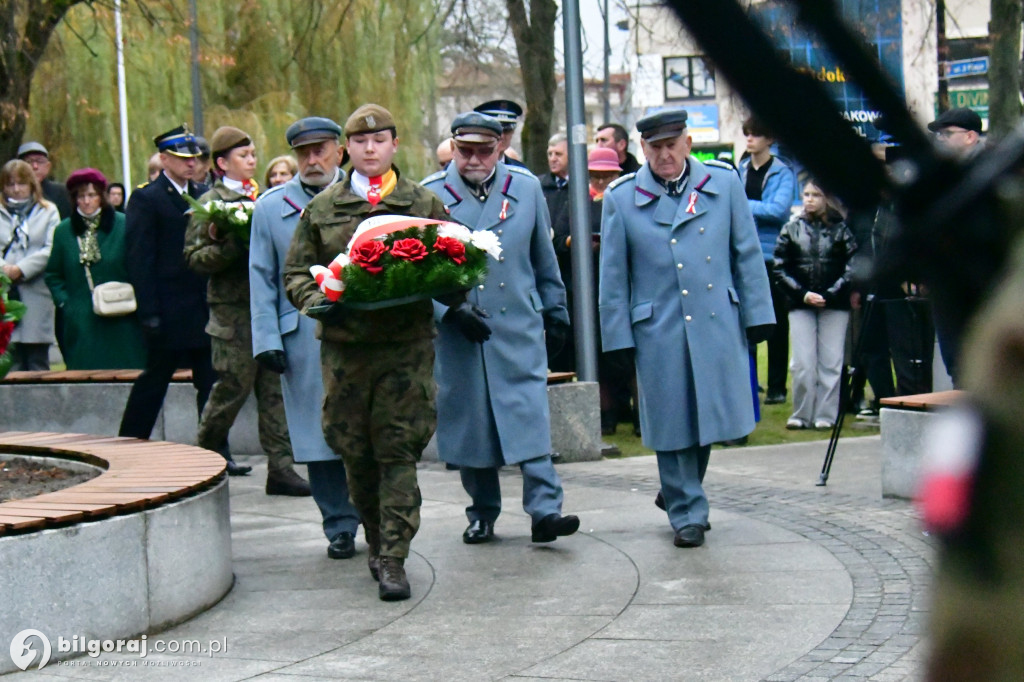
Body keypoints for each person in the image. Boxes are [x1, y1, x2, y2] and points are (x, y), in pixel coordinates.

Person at [284, 103, 451, 601]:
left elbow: (454, 256)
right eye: (360, 142)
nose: (370, 149)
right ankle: (376, 543)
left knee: (398, 451)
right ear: (345, 150)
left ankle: (395, 559)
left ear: (395, 145)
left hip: (405, 350)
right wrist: (318, 302)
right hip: (347, 352)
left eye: (379, 140)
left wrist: (456, 293)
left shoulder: (421, 202)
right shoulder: (322, 209)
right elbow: (296, 272)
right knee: (355, 452)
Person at [599, 108, 774, 548]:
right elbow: (613, 274)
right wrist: (616, 335)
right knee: (671, 417)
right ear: (641, 149)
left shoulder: (724, 183)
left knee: (708, 416)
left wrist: (759, 316)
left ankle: (680, 490)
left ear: (688, 144)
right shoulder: (621, 197)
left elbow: (747, 253)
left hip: (715, 317)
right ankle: (688, 512)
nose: (664, 155)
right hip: (658, 324)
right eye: (654, 147)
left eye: (671, 145)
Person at [423, 111, 577, 547]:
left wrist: (556, 309)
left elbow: (542, 257)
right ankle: (482, 511)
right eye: (464, 151)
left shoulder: (525, 187)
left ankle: (546, 510)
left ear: (501, 148)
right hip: (461, 328)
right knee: (472, 420)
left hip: (517, 323)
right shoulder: (430, 195)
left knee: (529, 414)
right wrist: (447, 312)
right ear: (452, 148)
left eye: (484, 151)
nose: (474, 160)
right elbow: (417, 270)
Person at [251, 116, 361, 557]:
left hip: (359, 331)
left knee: (362, 428)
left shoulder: (363, 197)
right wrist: (266, 340)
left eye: (321, 150)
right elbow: (260, 278)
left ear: (340, 151)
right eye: (303, 153)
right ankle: (338, 523)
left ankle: (373, 514)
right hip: (300, 335)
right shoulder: (271, 207)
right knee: (316, 438)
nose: (312, 160)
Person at [183, 125, 307, 493]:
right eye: (242, 156)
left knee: (273, 390)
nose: (251, 161)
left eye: (253, 154)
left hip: (265, 305)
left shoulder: (266, 198)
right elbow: (194, 258)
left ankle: (281, 468)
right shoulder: (210, 203)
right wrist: (230, 245)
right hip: (232, 313)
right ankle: (202, 456)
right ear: (222, 163)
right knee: (231, 389)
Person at [117, 125, 219, 455]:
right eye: (181, 158)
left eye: (195, 158)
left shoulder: (203, 193)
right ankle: (130, 443)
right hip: (168, 308)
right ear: (163, 159)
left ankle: (216, 450)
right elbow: (139, 258)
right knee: (155, 380)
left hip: (201, 305)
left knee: (209, 380)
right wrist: (148, 311)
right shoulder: (148, 198)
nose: (191, 164)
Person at [772, 179, 857, 430]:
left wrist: (831, 293)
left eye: (815, 195)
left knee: (831, 362)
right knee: (803, 363)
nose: (809, 199)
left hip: (835, 304)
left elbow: (852, 267)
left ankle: (826, 414)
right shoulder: (791, 228)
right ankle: (801, 413)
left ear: (827, 198)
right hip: (801, 304)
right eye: (806, 194)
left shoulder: (842, 230)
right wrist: (802, 294)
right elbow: (780, 267)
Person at [44, 168, 146, 369]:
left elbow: (140, 265)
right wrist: (67, 304)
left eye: (92, 195)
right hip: (83, 319)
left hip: (123, 316)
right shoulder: (64, 231)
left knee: (127, 373)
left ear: (102, 196)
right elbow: (53, 274)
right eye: (80, 196)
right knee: (85, 376)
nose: (87, 201)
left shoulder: (123, 224)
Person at [738, 118, 796, 405]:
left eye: (756, 134)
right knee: (745, 321)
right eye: (747, 134)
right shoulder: (741, 169)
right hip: (744, 254)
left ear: (769, 139)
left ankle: (777, 386)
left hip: (772, 256)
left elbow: (777, 210)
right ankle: (750, 380)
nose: (750, 139)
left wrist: (744, 205)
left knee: (776, 322)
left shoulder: (782, 172)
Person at [927, 107, 985, 386]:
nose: (941, 140)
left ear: (971, 136)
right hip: (948, 283)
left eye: (946, 134)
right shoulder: (943, 177)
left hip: (983, 286)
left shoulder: (992, 172)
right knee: (956, 364)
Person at [1, 159, 60, 370]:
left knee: (37, 363)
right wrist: (5, 270)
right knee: (9, 362)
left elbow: (50, 248)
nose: (16, 190)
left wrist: (22, 269)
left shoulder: (48, 211)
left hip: (36, 293)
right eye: (10, 184)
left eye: (21, 183)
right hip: (5, 294)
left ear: (31, 185)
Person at [540, 133, 573, 371]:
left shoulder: (582, 186)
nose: (553, 159)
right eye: (550, 154)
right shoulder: (540, 187)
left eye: (558, 154)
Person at [17, 142, 71, 220]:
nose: (35, 166)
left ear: (48, 166)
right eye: (29, 161)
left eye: (40, 161)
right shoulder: (10, 193)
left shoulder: (62, 192)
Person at [474, 99, 528, 169]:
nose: (501, 136)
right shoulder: (466, 167)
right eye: (495, 130)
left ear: (513, 131)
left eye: (507, 130)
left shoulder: (520, 170)